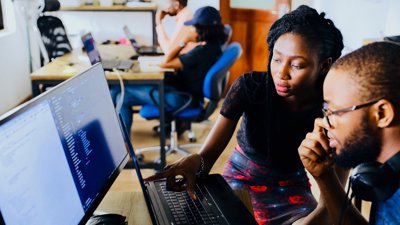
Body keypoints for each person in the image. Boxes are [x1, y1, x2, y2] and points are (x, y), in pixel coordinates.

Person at [146, 5, 346, 225]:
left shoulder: (334, 111)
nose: (282, 73)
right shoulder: (250, 88)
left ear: (324, 66)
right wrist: (195, 162)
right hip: (241, 179)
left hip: (293, 190)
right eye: (277, 59)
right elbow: (207, 157)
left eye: (297, 65)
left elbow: (332, 203)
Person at [298, 41, 400, 225]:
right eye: (324, 110)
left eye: (334, 111)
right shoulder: (385, 172)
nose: (323, 123)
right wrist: (325, 176)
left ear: (382, 114)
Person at [116, 6, 227, 137]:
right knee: (118, 91)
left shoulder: (201, 52)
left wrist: (183, 41)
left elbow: (166, 62)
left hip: (181, 98)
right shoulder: (214, 47)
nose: (191, 30)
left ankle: (125, 147)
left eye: (193, 27)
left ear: (202, 29)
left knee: (120, 96)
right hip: (185, 94)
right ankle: (118, 141)